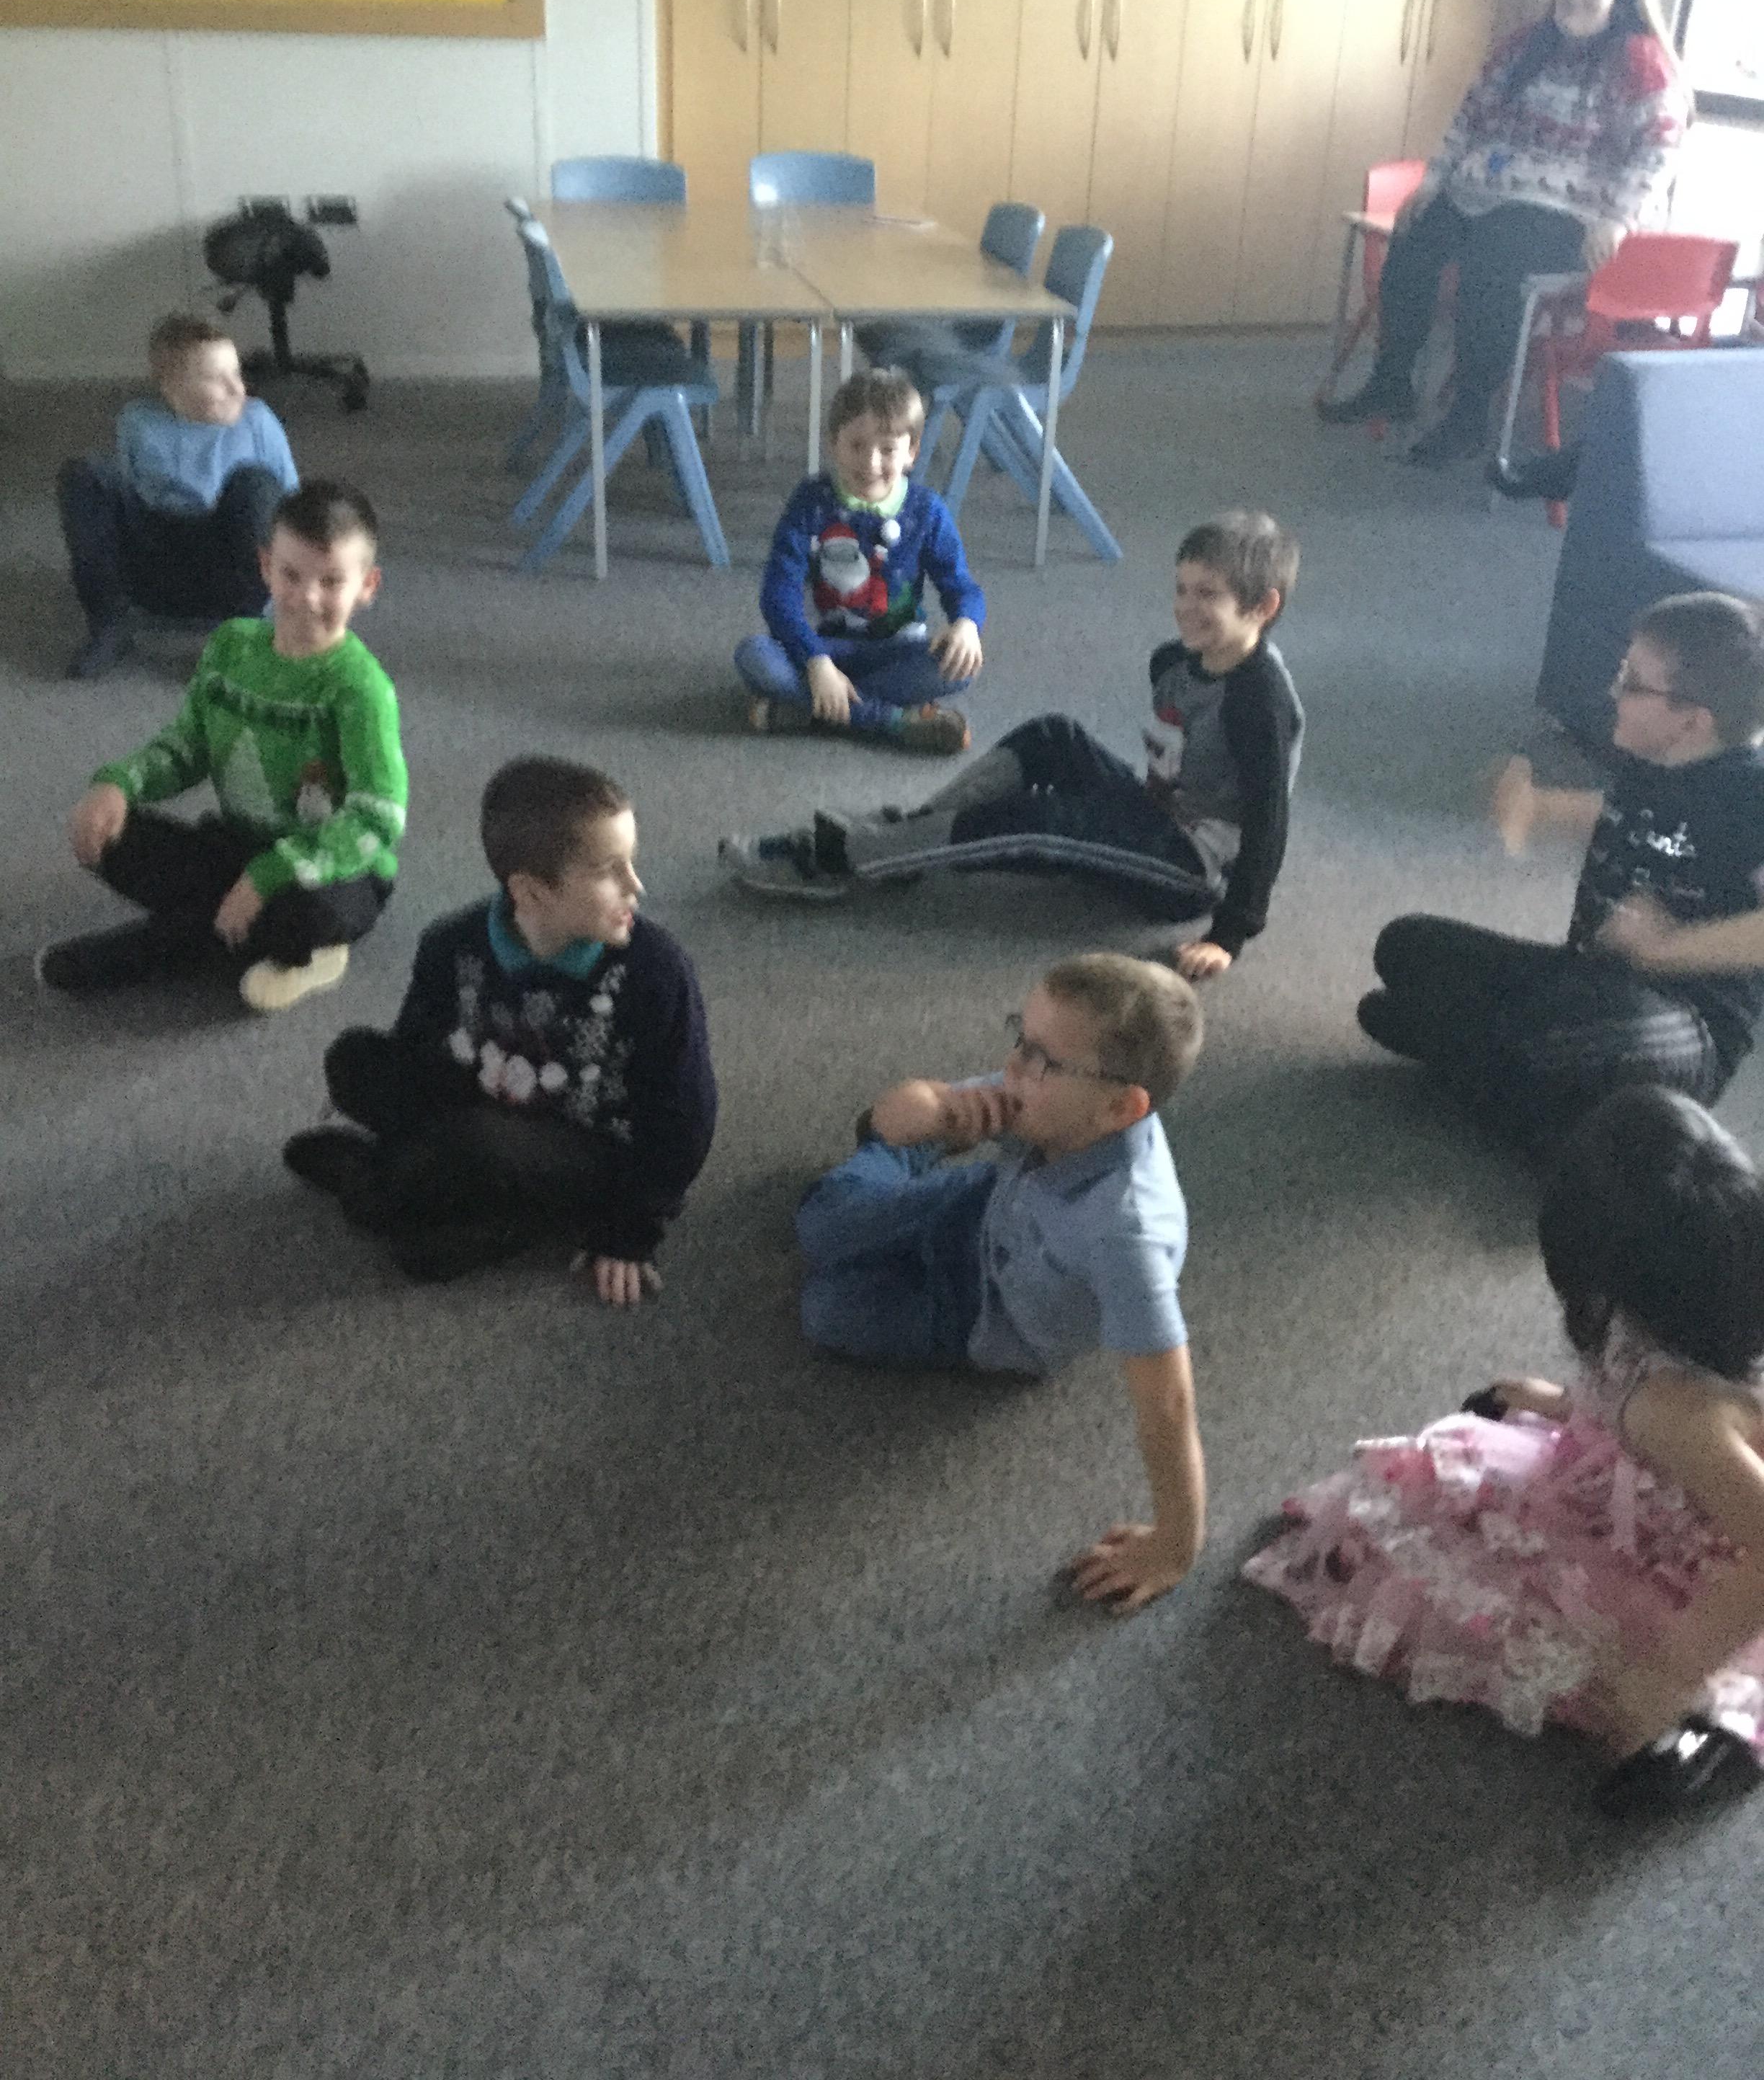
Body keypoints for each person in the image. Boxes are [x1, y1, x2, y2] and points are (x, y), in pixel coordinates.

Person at [1244, 1085, 1764, 1814]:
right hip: (1654, 1476)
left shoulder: (1676, 1412)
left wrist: (1671, 1668)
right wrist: (1567, 1404)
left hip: (1699, 1560)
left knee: (1416, 1541)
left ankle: (1711, 1725)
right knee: (1436, 1477)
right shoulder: (1701, 1313)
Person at [722, 510, 1302, 984]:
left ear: (1263, 607)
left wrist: (1230, 934)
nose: (1186, 607)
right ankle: (911, 833)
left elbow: (1270, 820)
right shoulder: (1176, 661)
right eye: (1182, 589)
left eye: (1209, 595)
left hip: (1193, 869)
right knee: (1054, 736)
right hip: (1156, 812)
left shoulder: (1259, 701)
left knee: (1040, 824)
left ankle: (838, 857)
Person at [797, 953, 1206, 1612]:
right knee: (819, 1226)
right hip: (980, 1209)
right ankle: (890, 1170)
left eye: (1043, 1060)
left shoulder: (1126, 1234)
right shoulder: (1045, 1102)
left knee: (827, 1310)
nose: (1014, 1066)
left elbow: (1169, 1402)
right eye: (1021, 1036)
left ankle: (885, 1172)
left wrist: (1175, 1546)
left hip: (992, 1322)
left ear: (1119, 1108)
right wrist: (928, 1110)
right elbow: (892, 1115)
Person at [282, 757, 716, 1290]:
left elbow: (684, 1118)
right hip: (487, 1103)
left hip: (588, 1148)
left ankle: (386, 1182)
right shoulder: (451, 943)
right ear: (530, 893)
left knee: (425, 1233)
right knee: (354, 1059)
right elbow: (420, 1040)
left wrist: (632, 1230)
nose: (636, 886)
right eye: (610, 871)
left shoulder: (656, 971)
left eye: (631, 862)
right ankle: (428, 1179)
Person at [1360, 591, 1764, 1154]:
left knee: (1551, 1040)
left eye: (1633, 683)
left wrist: (1667, 948)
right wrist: (1538, 808)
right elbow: (1630, 818)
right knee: (1406, 946)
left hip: (1683, 1025)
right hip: (1588, 980)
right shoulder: (1651, 757)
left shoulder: (1749, 792)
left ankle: (1589, 1122)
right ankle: (1528, 1083)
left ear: (1691, 722)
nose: (1613, 691)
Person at [1322, 0, 1692, 466]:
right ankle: (1392, 382)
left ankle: (1470, 417)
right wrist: (1434, 181)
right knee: (1414, 233)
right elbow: (1469, 118)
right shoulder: (1525, 46)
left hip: (1568, 213)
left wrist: (1618, 218)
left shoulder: (1639, 62)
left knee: (1491, 264)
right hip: (1481, 192)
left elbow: (1659, 151)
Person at [39, 480, 404, 1015]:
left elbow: (378, 818)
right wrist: (117, 784)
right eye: (291, 575)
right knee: (110, 838)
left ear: (367, 586)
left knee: (303, 914)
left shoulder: (361, 688)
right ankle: (247, 933)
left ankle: (150, 951)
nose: (307, 598)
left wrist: (267, 876)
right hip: (239, 844)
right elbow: (187, 747)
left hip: (334, 874)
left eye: (331, 582)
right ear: (266, 567)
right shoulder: (231, 646)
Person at [734, 367, 985, 755]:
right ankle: (891, 721)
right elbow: (778, 595)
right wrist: (817, 661)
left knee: (959, 669)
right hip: (824, 648)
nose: (870, 463)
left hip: (898, 651)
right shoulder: (811, 501)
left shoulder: (927, 510)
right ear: (834, 443)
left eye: (887, 450)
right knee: (755, 656)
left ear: (912, 453)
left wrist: (967, 624)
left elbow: (960, 585)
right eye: (856, 445)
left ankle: (810, 711)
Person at [58, 311, 300, 677]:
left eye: (236, 374)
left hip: (231, 571)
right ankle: (110, 622)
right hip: (156, 567)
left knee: (255, 484)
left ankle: (243, 636)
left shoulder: (258, 421)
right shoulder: (138, 421)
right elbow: (130, 500)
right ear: (172, 388)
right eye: (217, 379)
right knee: (86, 474)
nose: (237, 389)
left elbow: (294, 510)